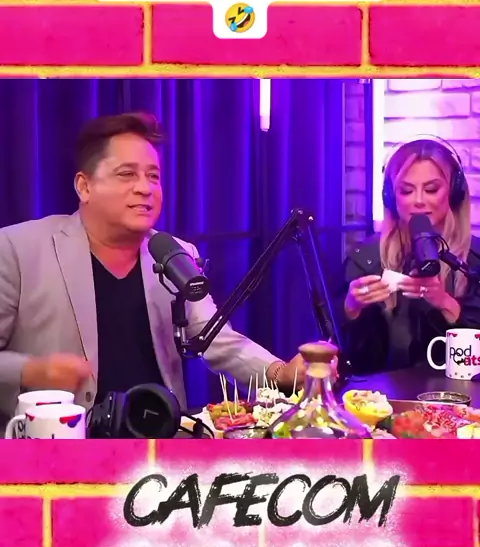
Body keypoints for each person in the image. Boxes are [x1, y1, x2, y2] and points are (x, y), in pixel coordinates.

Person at [0, 112, 307, 427]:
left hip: (160, 440)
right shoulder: (17, 249)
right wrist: (32, 371)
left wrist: (280, 373)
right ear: (84, 186)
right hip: (59, 445)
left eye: (154, 176)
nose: (145, 188)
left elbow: (216, 338)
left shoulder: (176, 254)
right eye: (127, 174)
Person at [341, 137, 480, 375]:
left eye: (432, 189)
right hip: (382, 395)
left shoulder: (475, 260)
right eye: (406, 191)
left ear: (454, 192)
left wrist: (445, 303)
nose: (418, 201)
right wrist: (351, 310)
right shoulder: (364, 259)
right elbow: (346, 358)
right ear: (391, 197)